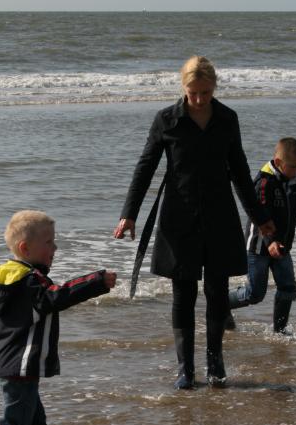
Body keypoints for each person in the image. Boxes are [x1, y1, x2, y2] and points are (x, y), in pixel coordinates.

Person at [114, 55, 274, 389]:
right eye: (193, 93)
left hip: (219, 216)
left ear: (214, 87)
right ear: (183, 88)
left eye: (205, 92)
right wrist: (129, 214)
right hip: (178, 217)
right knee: (183, 294)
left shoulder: (227, 119)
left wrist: (260, 219)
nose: (199, 99)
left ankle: (215, 366)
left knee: (216, 294)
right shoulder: (167, 120)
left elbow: (241, 173)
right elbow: (145, 167)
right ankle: (185, 369)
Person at [0, 210, 117, 425]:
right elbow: (56, 297)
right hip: (20, 365)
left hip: (14, 364)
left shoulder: (9, 276)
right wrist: (96, 281)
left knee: (36, 423)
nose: (54, 249)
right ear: (25, 249)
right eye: (49, 242)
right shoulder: (28, 281)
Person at [227, 137, 296, 333]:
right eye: (294, 166)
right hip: (259, 247)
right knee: (255, 294)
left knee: (288, 288)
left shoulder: (294, 182)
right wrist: (270, 242)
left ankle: (280, 330)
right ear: (278, 163)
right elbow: (260, 215)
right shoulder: (263, 182)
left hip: (283, 247)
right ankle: (222, 305)